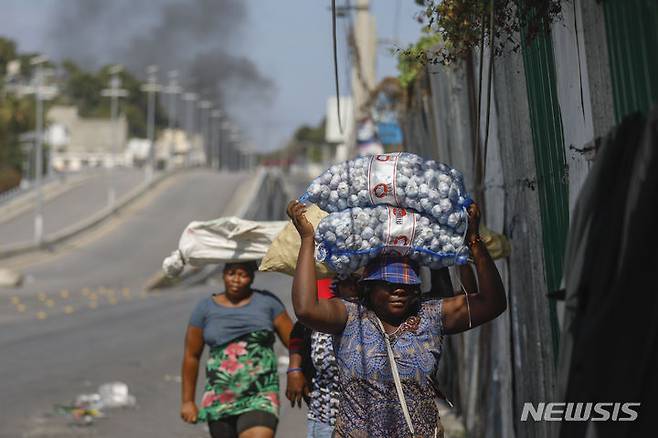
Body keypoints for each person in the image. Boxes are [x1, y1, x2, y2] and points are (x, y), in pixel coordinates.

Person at [286, 200, 507, 438]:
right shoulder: (349, 316)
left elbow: (492, 303)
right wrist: (308, 239)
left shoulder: (430, 315)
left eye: (406, 284)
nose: (398, 290)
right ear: (368, 288)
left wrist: (473, 241)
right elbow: (305, 308)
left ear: (416, 289)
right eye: (388, 284)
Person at [180, 261, 294, 438]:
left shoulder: (268, 303)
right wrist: (187, 401)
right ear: (224, 274)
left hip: (260, 394)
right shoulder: (205, 309)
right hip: (220, 398)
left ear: (252, 277)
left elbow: (295, 344)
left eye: (243, 274)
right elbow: (191, 356)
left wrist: (298, 372)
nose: (236, 279)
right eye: (232, 273)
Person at [285, 276, 359, 438]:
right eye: (347, 282)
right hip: (324, 414)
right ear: (338, 286)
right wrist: (294, 369)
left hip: (364, 419)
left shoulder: (376, 318)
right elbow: (298, 333)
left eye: (358, 282)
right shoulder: (323, 314)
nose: (353, 288)